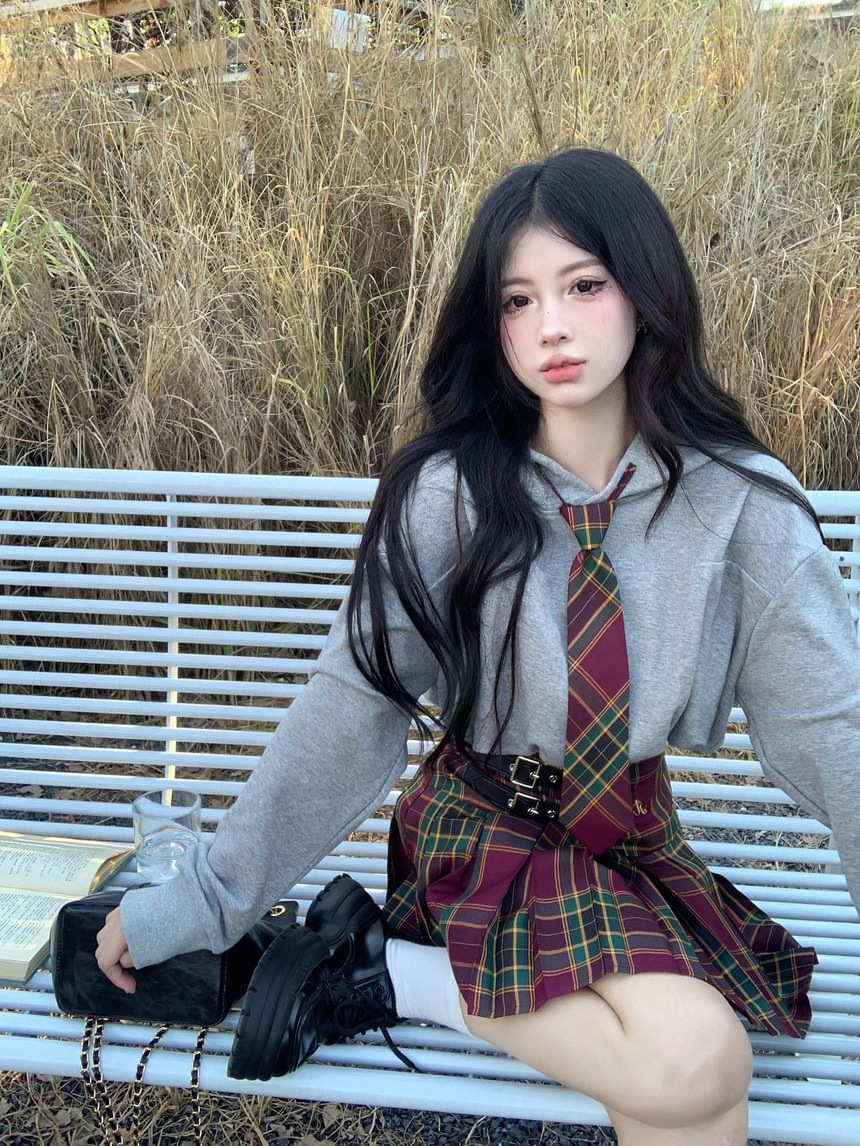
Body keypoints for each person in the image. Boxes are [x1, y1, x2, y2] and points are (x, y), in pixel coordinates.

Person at [96, 147, 860, 1146]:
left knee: (690, 1088)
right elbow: (350, 708)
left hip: (629, 843)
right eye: (516, 300)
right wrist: (203, 900)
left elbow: (833, 733)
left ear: (646, 290)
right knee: (698, 1062)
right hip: (485, 829)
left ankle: (378, 967)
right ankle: (395, 968)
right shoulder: (450, 495)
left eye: (583, 285)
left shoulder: (740, 507)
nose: (551, 327)